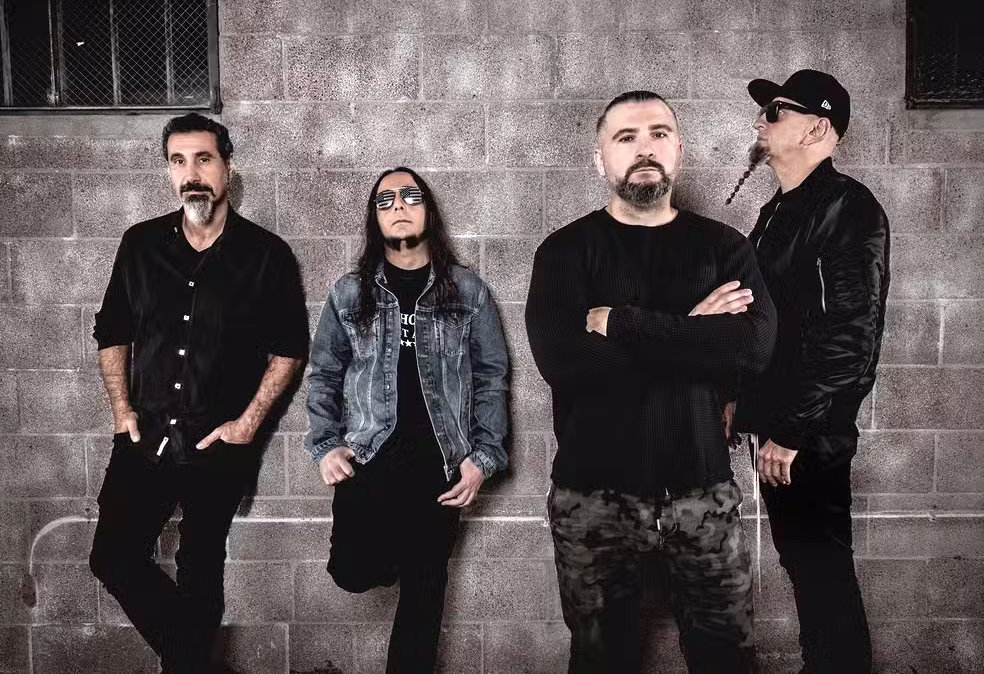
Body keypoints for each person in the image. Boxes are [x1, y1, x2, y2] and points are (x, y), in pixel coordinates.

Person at [526, 90, 777, 673]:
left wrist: (623, 325)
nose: (645, 148)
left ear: (678, 151)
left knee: (727, 661)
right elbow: (567, 365)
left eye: (659, 134)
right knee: (600, 661)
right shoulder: (564, 253)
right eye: (626, 137)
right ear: (600, 159)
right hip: (594, 498)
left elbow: (753, 349)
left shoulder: (724, 248)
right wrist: (695, 329)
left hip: (703, 492)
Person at [88, 113, 309, 673]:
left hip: (218, 445)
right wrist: (121, 410)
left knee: (200, 572)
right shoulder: (139, 245)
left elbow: (289, 349)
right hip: (144, 439)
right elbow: (112, 331)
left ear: (228, 167)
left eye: (204, 159)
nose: (191, 173)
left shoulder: (266, 254)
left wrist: (247, 424)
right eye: (178, 161)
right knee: (112, 558)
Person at [305, 166, 509, 673]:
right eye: (385, 200)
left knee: (425, 594)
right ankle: (401, 543)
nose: (398, 206)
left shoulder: (467, 291)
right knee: (351, 571)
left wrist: (483, 458)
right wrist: (326, 445)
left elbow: (491, 376)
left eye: (410, 197)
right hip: (369, 458)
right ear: (374, 219)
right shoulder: (350, 293)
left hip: (440, 465)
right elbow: (324, 373)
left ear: (428, 212)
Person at [733, 69, 891, 674]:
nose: (761, 121)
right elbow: (772, 321)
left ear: (816, 128)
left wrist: (792, 430)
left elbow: (850, 339)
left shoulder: (847, 208)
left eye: (776, 111)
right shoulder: (781, 209)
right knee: (806, 568)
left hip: (807, 436)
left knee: (822, 574)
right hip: (782, 429)